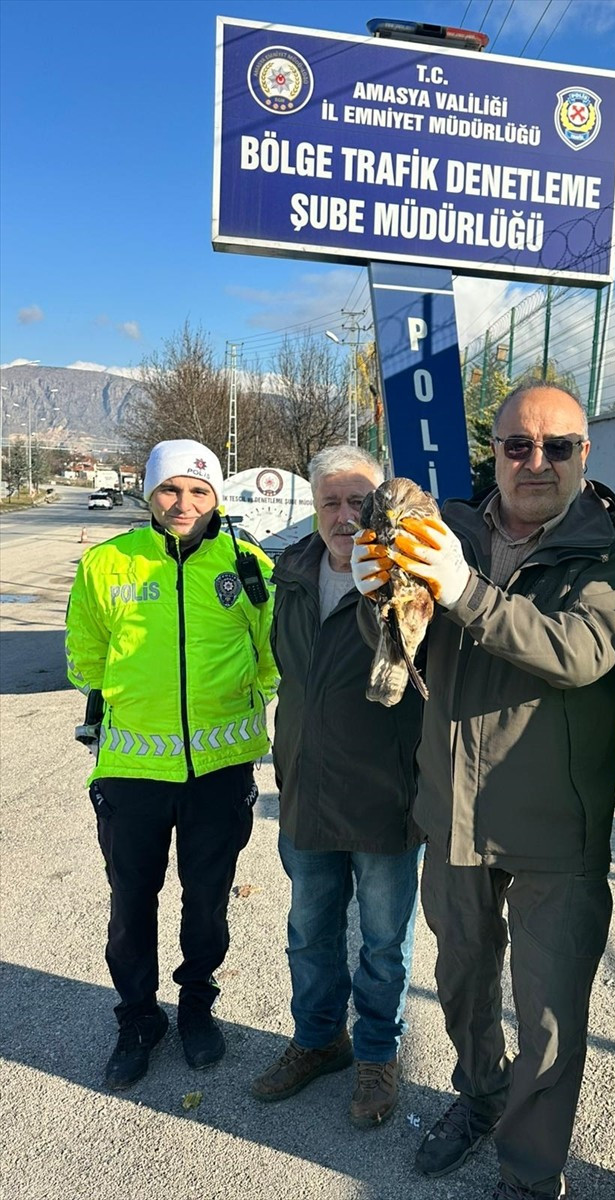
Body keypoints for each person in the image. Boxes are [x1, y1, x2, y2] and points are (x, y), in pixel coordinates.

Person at [352, 382, 615, 1199]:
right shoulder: (448, 531)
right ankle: (479, 1096)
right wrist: (374, 588)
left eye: (557, 447)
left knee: (549, 1017)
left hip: (556, 828)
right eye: (518, 445)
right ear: (497, 453)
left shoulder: (614, 554)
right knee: (462, 986)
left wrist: (463, 590)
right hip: (453, 813)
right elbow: (393, 638)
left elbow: (579, 653)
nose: (536, 462)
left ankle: (529, 1168)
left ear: (585, 456)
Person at [66, 439, 277, 1089]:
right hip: (132, 772)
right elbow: (85, 655)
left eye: (198, 490)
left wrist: (239, 702)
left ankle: (194, 1008)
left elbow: (271, 656)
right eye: (169, 490)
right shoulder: (107, 564)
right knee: (132, 905)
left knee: (207, 902)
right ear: (149, 493)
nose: (183, 503)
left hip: (220, 770)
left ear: (216, 496)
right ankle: (137, 1019)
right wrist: (130, 703)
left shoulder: (248, 564)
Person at [250, 445, 423, 1127]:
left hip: (386, 795)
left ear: (381, 505)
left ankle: (378, 1053)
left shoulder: (409, 578)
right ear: (314, 507)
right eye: (332, 502)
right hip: (307, 790)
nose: (346, 515)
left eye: (360, 501)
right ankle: (319, 1038)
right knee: (309, 929)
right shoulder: (291, 574)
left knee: (384, 941)